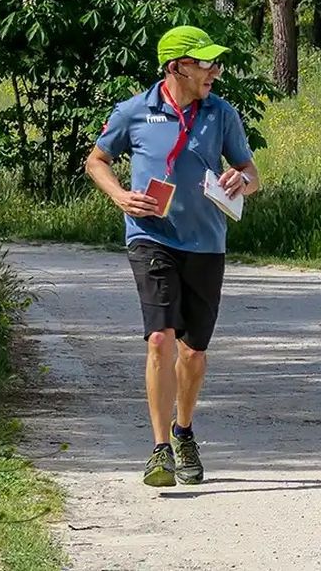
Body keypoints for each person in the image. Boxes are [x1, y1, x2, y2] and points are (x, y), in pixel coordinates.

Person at [84, 25, 261, 487]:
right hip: (151, 236)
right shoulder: (134, 111)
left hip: (205, 242)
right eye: (205, 63)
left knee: (194, 352)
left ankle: (184, 431)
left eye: (216, 63)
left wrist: (243, 180)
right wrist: (121, 196)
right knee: (160, 339)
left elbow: (250, 170)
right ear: (176, 67)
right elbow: (96, 160)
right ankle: (159, 449)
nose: (215, 71)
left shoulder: (221, 113)